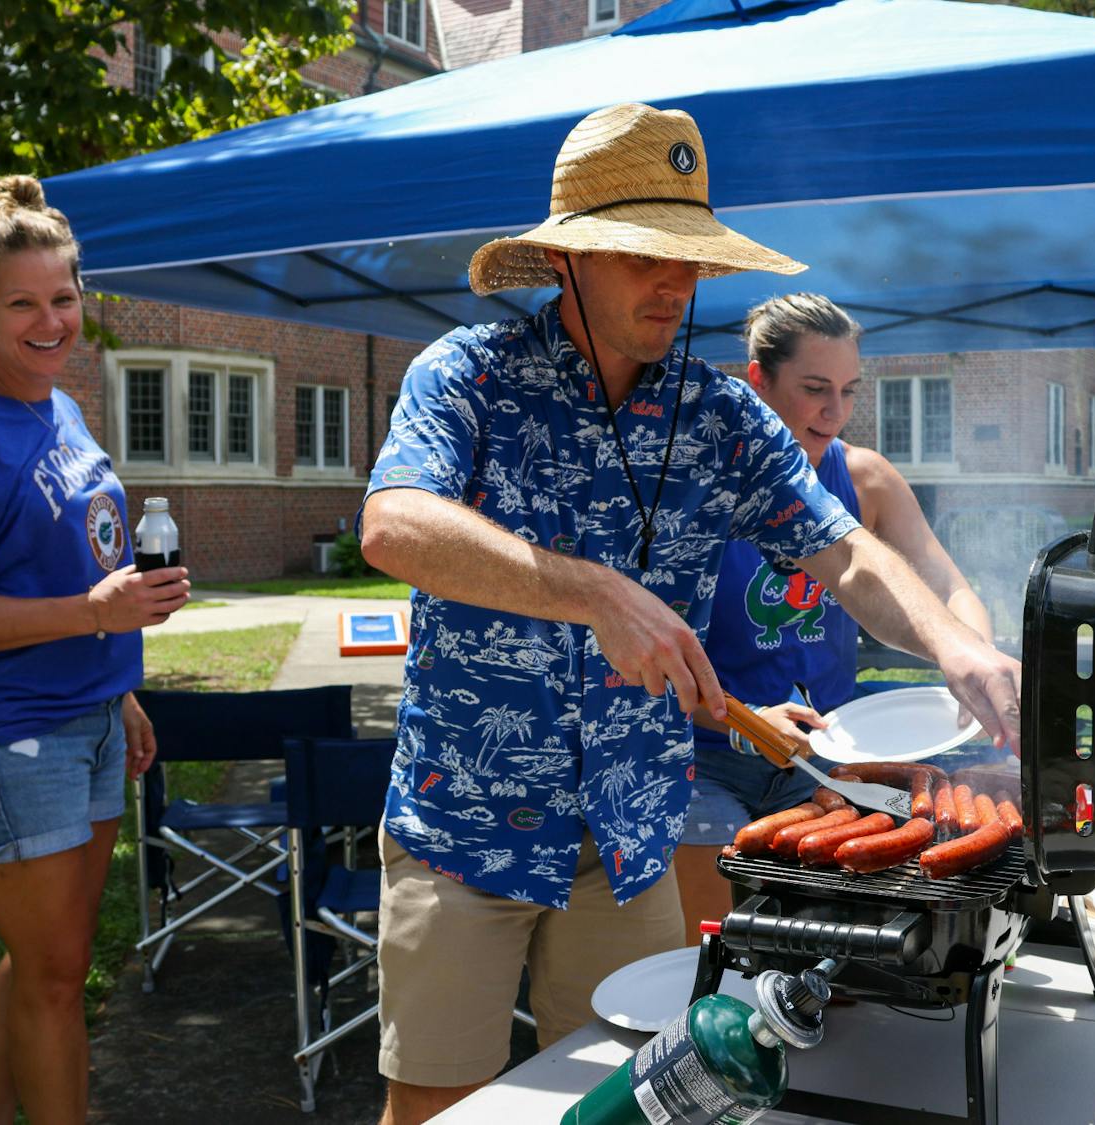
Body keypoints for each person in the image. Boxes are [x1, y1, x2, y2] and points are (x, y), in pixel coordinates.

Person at [359, 103, 1021, 1125]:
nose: (675, 283)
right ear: (568, 261)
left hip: (629, 838)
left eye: (690, 259)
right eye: (641, 257)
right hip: (466, 831)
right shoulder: (468, 376)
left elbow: (844, 553)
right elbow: (395, 525)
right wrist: (591, 588)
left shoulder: (718, 415)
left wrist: (956, 645)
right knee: (444, 1114)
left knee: (648, 1106)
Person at [0, 176, 189, 1123]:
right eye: (22, 302)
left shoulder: (58, 407)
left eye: (63, 298)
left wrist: (120, 690)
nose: (48, 320)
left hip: (88, 722)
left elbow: (66, 568)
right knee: (59, 976)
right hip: (2, 740)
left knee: (43, 965)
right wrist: (91, 616)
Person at [674, 294, 995, 939]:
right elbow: (643, 646)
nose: (835, 412)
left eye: (849, 390)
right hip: (703, 753)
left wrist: (975, 659)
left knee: (844, 951)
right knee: (716, 949)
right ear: (757, 380)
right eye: (814, 388)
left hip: (835, 753)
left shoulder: (865, 478)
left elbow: (946, 589)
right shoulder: (692, 483)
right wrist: (742, 719)